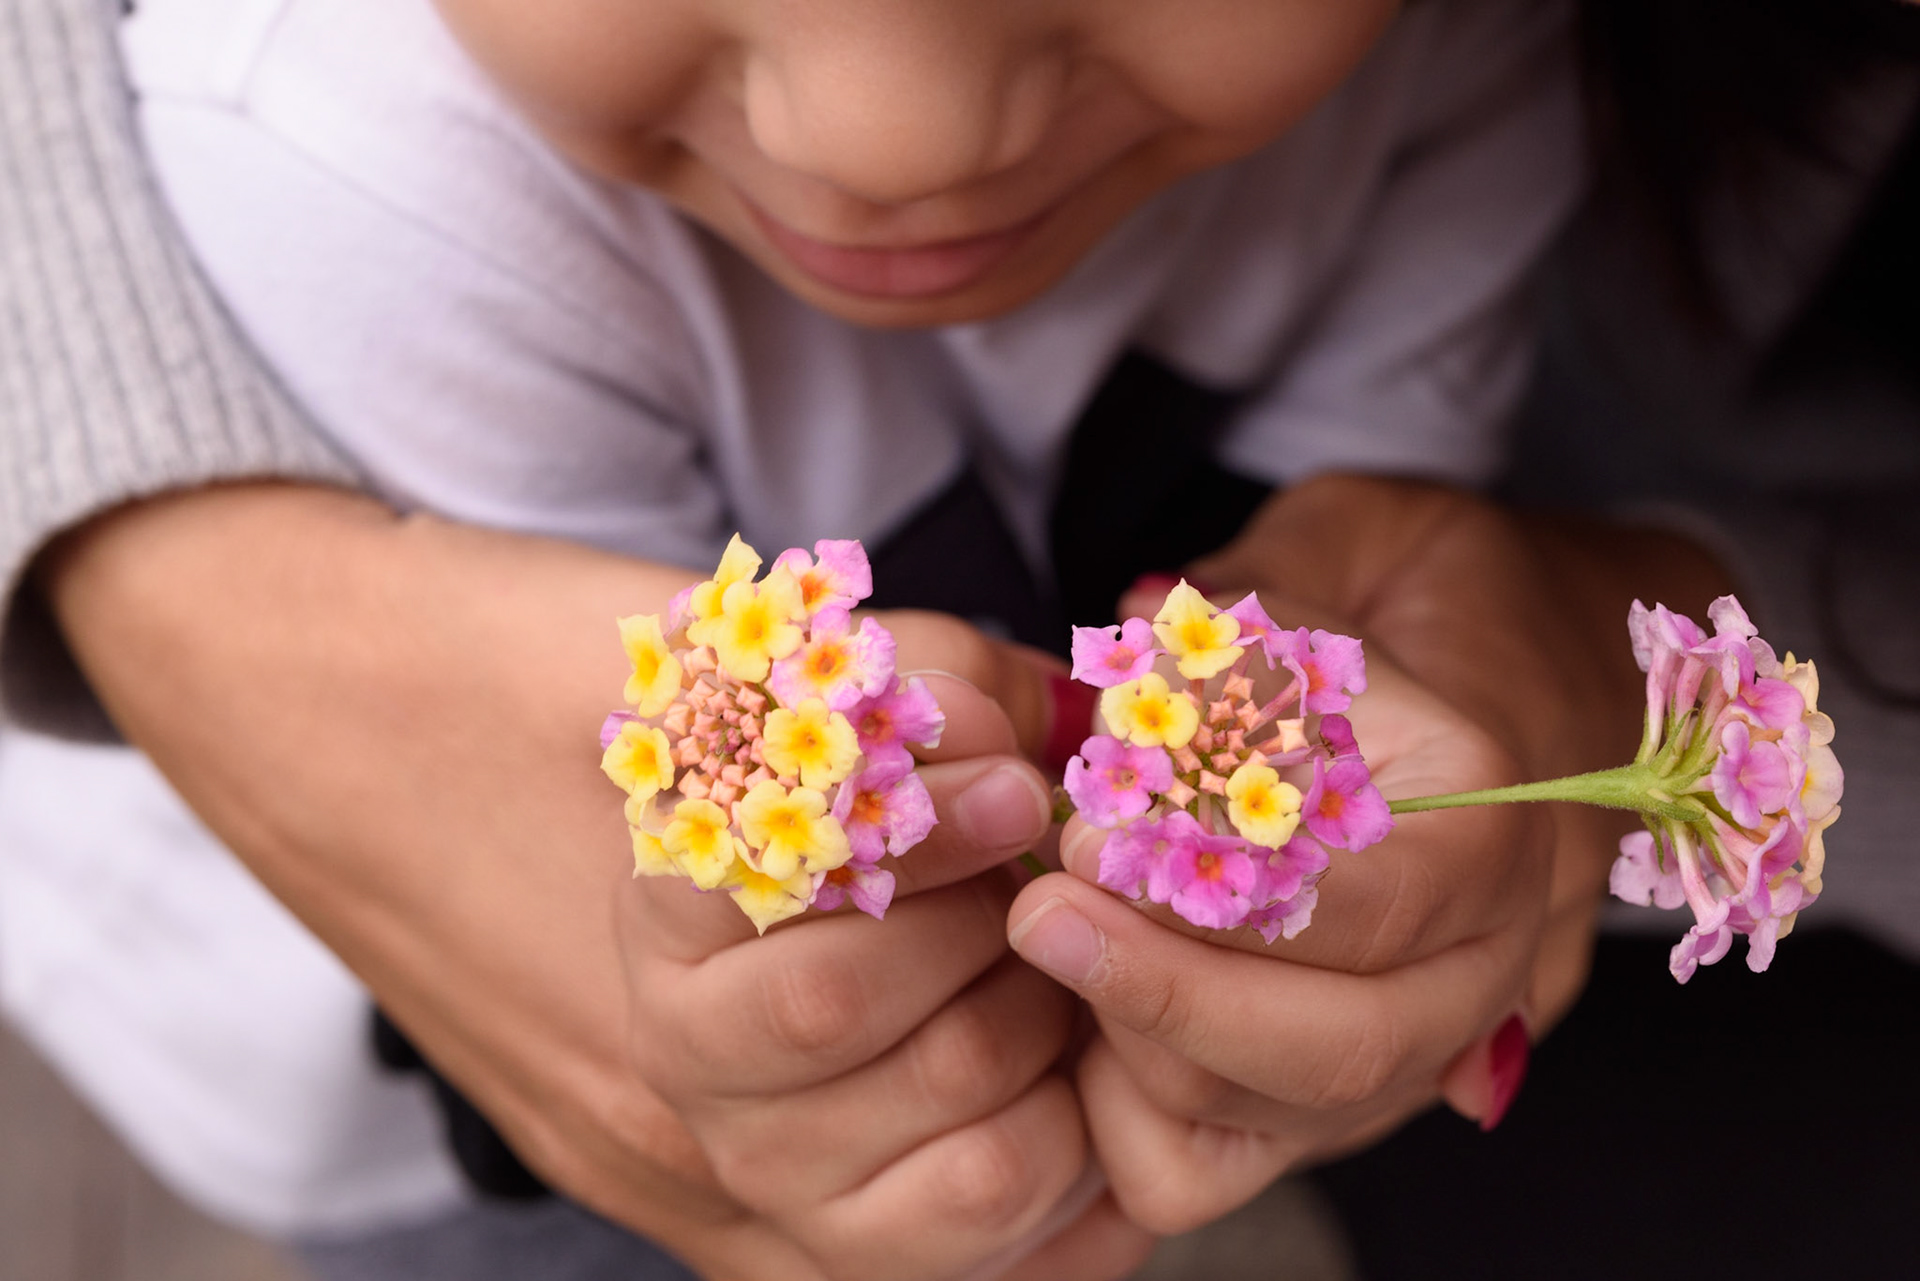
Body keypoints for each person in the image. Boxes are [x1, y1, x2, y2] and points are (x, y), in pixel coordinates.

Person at [0, 0, 1747, 1276]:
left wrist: (1369, 859)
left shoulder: (1459, 60)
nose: (892, 138)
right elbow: (580, 887)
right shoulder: (354, 169)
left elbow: (1368, 564)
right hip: (410, 1077)